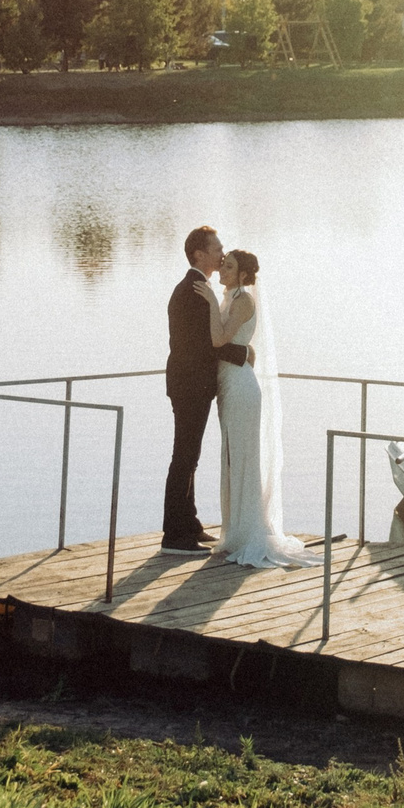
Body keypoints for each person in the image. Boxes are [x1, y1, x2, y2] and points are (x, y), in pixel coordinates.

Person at [210, 249, 311, 568]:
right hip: (228, 385)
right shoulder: (230, 297)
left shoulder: (242, 300)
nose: (221, 270)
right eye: (223, 264)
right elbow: (236, 343)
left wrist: (211, 304)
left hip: (240, 388)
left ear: (243, 275)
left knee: (242, 459)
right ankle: (234, 530)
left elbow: (220, 339)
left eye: (228, 267)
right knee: (231, 458)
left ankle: (247, 532)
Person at [160, 225, 251, 553]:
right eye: (217, 249)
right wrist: (242, 353)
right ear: (199, 254)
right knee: (184, 456)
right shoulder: (196, 290)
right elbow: (204, 343)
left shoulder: (197, 287)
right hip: (190, 383)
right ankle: (174, 534)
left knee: (190, 455)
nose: (222, 254)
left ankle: (189, 523)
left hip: (189, 381)